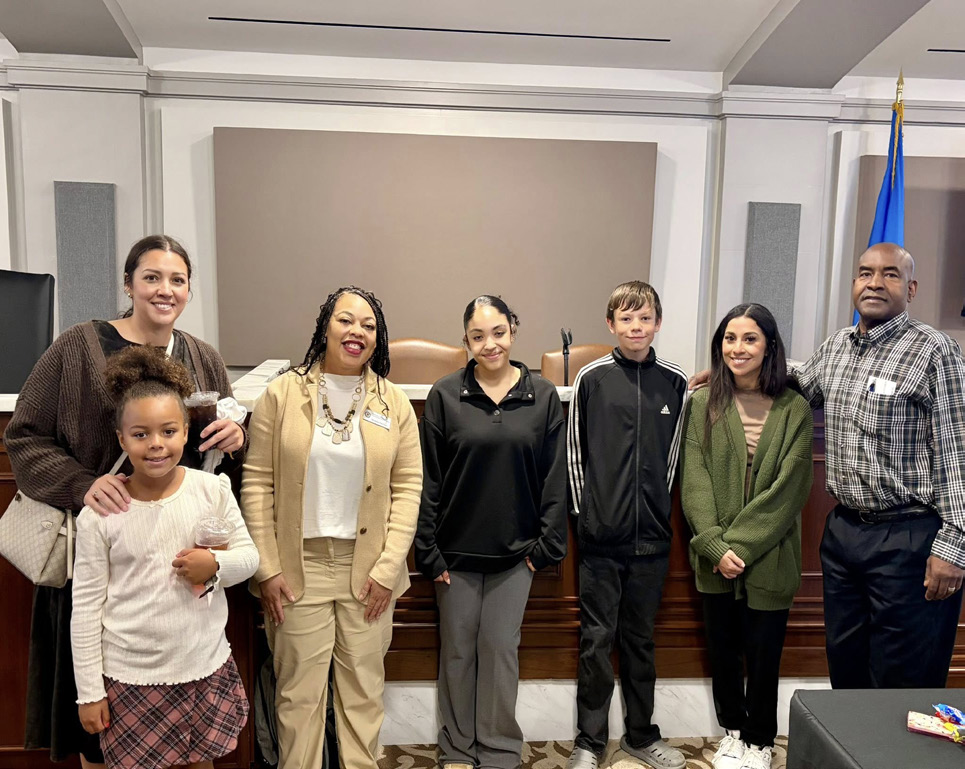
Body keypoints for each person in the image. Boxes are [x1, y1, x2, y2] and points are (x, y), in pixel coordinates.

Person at [5, 234, 246, 767]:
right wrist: (79, 482)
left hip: (179, 569)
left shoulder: (203, 358)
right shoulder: (77, 347)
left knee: (189, 735)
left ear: (189, 290)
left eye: (177, 280)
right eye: (152, 277)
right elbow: (23, 435)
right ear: (129, 284)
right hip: (101, 552)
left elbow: (210, 456)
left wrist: (234, 439)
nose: (165, 290)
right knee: (101, 728)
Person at [689, 242, 965, 689]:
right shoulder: (837, 347)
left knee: (902, 680)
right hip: (844, 536)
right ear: (853, 283)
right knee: (847, 667)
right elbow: (794, 382)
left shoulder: (936, 352)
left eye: (890, 274)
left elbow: (959, 454)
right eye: (865, 273)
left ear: (911, 287)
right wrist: (730, 372)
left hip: (910, 538)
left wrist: (954, 547)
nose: (875, 282)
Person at [241, 286, 423, 769]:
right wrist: (266, 567)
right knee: (298, 698)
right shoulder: (282, 394)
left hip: (368, 573)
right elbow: (257, 483)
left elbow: (408, 490)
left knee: (363, 696)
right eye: (346, 320)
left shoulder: (394, 402)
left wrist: (388, 569)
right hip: (296, 569)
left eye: (368, 325)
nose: (357, 332)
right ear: (325, 327)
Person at [71, 346, 259, 769]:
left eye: (169, 431)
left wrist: (215, 566)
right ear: (121, 439)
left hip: (202, 664)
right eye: (140, 434)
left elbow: (249, 558)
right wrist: (89, 691)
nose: (156, 444)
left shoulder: (212, 491)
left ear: (186, 434)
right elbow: (84, 609)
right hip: (129, 677)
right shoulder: (100, 515)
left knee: (199, 762)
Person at [415, 295, 567, 769]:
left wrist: (546, 547)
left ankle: (500, 751)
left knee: (499, 651)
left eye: (498, 332)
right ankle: (458, 750)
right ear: (466, 341)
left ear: (514, 331)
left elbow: (554, 478)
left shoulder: (541, 396)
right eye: (478, 336)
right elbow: (428, 479)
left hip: (516, 556)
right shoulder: (445, 395)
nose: (490, 344)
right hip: (454, 557)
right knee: (458, 653)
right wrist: (428, 551)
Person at [680, 304, 812, 769]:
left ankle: (760, 740)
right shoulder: (702, 403)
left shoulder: (795, 408)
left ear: (770, 346)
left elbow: (791, 487)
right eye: (729, 339)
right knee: (723, 650)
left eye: (750, 338)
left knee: (763, 653)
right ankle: (733, 731)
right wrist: (716, 546)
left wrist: (741, 545)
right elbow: (693, 478)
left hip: (770, 555)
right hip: (715, 558)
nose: (738, 348)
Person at [565, 281, 688, 769]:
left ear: (657, 323)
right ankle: (589, 743)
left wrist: (659, 513)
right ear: (611, 324)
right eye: (626, 318)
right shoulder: (591, 378)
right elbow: (575, 454)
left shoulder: (675, 382)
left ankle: (641, 734)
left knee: (640, 641)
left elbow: (675, 460)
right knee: (596, 642)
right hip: (600, 539)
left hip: (652, 543)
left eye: (645, 318)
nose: (636, 327)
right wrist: (585, 518)